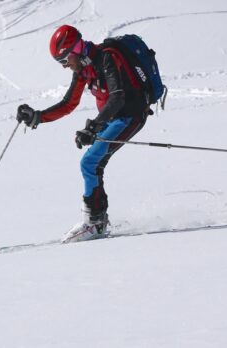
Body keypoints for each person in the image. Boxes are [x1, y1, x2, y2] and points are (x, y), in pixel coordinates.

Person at [16, 25, 151, 242]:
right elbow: (69, 103)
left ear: (74, 50)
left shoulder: (106, 59)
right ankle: (98, 221)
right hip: (112, 119)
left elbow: (117, 97)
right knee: (93, 164)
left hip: (129, 116)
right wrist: (37, 117)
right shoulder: (82, 69)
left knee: (90, 163)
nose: (64, 66)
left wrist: (94, 126)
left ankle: (93, 224)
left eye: (64, 60)